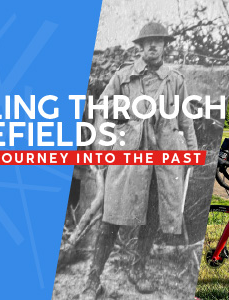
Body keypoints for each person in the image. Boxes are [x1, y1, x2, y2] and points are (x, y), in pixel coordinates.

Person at [79, 22, 198, 300]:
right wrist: (130, 108)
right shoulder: (123, 77)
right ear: (140, 47)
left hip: (162, 161)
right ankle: (92, 279)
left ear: (165, 45)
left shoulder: (175, 80)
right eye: (148, 42)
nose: (153, 46)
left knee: (153, 216)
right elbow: (103, 108)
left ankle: (137, 268)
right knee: (112, 216)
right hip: (129, 157)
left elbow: (185, 119)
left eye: (158, 41)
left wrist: (191, 152)